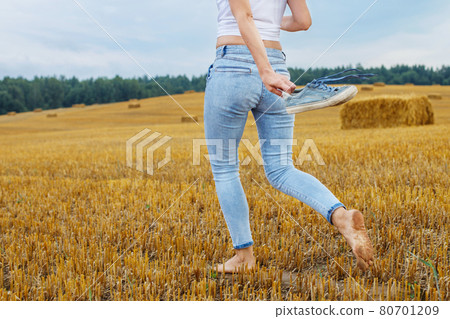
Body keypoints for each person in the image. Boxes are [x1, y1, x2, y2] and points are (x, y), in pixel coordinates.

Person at [204, 0, 374, 273]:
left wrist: (264, 70)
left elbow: (244, 15)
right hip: (277, 65)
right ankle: (341, 216)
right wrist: (269, 33)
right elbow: (302, 21)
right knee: (282, 168)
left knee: (225, 168)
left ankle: (243, 257)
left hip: (235, 66)